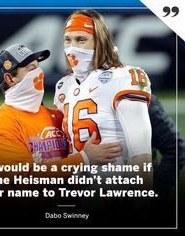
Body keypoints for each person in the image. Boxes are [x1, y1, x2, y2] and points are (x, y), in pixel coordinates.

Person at [0, 44, 122, 188]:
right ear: (9, 79)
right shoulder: (1, 125)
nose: (39, 72)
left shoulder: (55, 116)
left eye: (38, 66)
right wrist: (84, 159)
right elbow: (23, 180)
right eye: (31, 69)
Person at [54, 9, 153, 188]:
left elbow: (142, 153)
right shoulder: (63, 86)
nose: (71, 48)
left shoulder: (123, 77)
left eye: (81, 40)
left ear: (99, 42)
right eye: (67, 40)